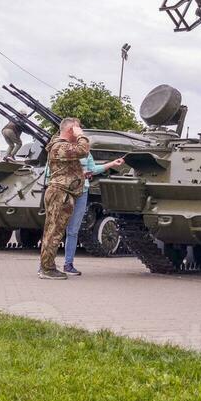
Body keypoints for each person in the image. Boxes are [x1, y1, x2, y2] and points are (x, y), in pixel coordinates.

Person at [39, 119, 103, 280]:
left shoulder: (60, 145)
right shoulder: (60, 146)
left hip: (64, 192)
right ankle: (47, 269)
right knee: (54, 231)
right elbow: (83, 150)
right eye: (77, 128)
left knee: (54, 231)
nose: (80, 131)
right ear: (70, 130)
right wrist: (80, 135)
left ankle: (47, 266)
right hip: (60, 193)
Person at [62, 153, 124, 277]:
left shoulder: (86, 152)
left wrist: (112, 163)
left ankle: (68, 264)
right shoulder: (63, 148)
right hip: (63, 190)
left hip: (82, 191)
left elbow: (93, 169)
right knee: (55, 229)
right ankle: (47, 264)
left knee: (73, 231)